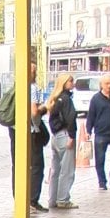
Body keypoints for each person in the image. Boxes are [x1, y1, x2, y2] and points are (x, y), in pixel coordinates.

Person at [8, 62, 50, 212]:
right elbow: (34, 112)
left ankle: (19, 198)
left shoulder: (14, 87)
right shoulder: (32, 88)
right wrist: (45, 108)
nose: (34, 73)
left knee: (17, 165)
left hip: (14, 129)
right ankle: (32, 200)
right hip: (30, 131)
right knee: (36, 166)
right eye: (32, 71)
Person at [46, 74, 79, 209]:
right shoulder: (66, 99)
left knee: (55, 170)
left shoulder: (55, 99)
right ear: (64, 83)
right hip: (65, 135)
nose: (73, 83)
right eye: (70, 81)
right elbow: (70, 118)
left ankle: (53, 199)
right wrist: (71, 136)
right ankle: (63, 199)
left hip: (55, 136)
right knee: (67, 169)